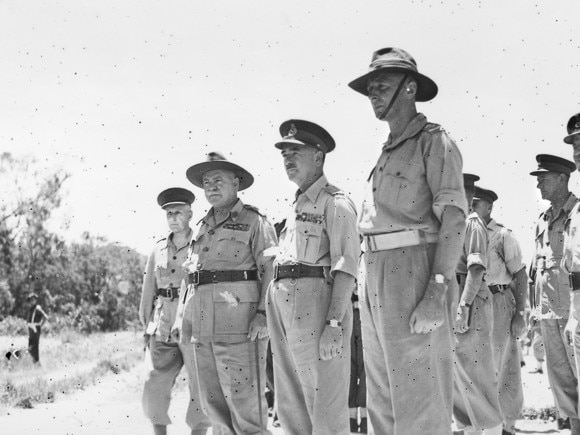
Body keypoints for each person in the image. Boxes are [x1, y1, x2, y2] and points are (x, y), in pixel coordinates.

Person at [348, 47, 467, 434]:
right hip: (376, 273)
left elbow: (453, 217)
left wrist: (437, 290)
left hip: (413, 270)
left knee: (420, 400)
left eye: (382, 85)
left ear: (410, 88)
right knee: (382, 398)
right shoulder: (385, 151)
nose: (375, 95)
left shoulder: (434, 142)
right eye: (371, 89)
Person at [174, 152, 277, 435]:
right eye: (206, 181)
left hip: (240, 328)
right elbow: (193, 278)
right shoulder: (201, 227)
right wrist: (184, 320)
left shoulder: (255, 221)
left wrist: (263, 314)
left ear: (236, 182)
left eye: (219, 180)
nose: (211, 186)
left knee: (247, 412)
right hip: (202, 327)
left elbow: (271, 271)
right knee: (214, 410)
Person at [267, 119, 359, 434]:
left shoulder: (336, 202)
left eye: (296, 151)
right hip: (284, 309)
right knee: (291, 403)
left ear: (318, 157)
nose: (288, 159)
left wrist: (333, 324)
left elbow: (346, 267)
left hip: (316, 308)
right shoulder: (295, 206)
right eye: (284, 154)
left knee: (324, 403)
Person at [139, 187, 210, 435]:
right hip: (162, 325)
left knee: (200, 386)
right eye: (168, 213)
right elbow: (148, 292)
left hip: (192, 325)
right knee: (153, 383)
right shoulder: (157, 249)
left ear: (190, 213)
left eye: (178, 212)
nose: (172, 217)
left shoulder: (202, 246)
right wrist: (145, 327)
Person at [529, 153, 580, 433]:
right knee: (563, 386)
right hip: (548, 315)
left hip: (574, 315)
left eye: (543, 179)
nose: (539, 185)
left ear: (562, 178)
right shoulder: (541, 221)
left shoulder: (578, 215)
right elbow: (535, 272)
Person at [471, 186, 528, 435]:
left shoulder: (503, 235)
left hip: (498, 302)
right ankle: (479, 423)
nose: (470, 209)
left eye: (475, 204)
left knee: (502, 366)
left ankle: (506, 425)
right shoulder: (465, 232)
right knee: (474, 366)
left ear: (489, 207)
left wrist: (520, 314)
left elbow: (521, 274)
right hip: (473, 303)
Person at [453, 175, 502, 435]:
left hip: (470, 301)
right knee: (459, 377)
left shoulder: (473, 224)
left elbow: (475, 269)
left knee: (478, 376)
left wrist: (463, 307)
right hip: (457, 297)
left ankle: (493, 430)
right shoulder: (454, 223)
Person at [349, 253, 367, 434]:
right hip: (347, 312)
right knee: (349, 367)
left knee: (366, 367)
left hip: (365, 313)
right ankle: (351, 417)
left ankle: (366, 414)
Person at [26, 292, 48, 364]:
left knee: (35, 346)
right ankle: (33, 362)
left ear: (35, 300)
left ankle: (37, 363)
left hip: (35, 329)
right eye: (30, 300)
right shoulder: (31, 309)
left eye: (33, 300)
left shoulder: (37, 309)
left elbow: (45, 317)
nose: (31, 302)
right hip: (31, 329)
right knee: (30, 346)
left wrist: (40, 325)